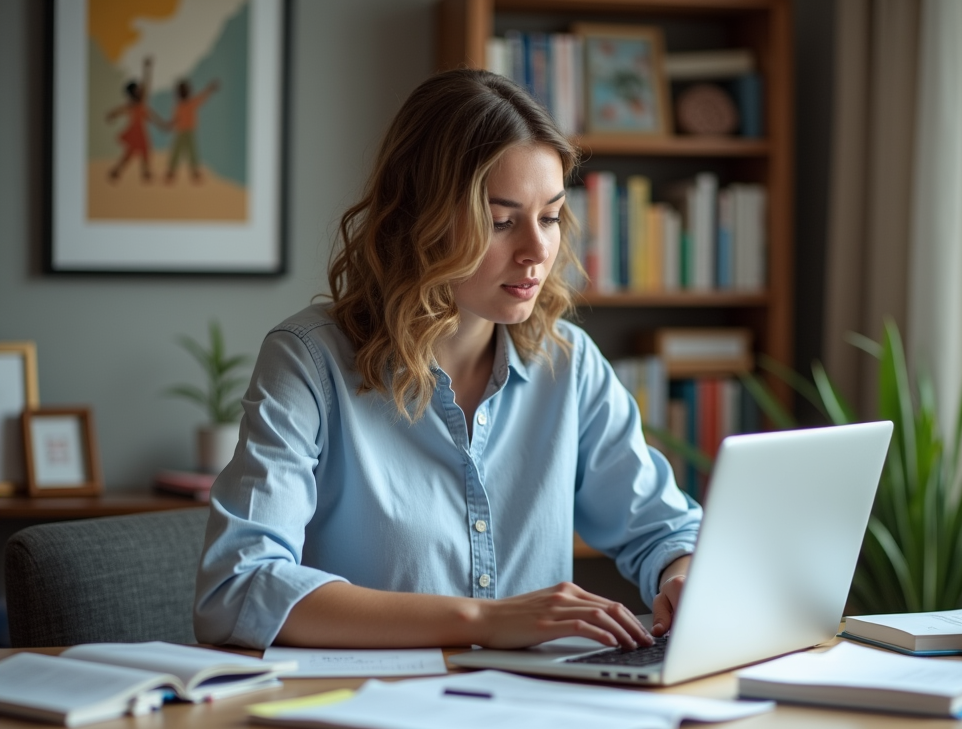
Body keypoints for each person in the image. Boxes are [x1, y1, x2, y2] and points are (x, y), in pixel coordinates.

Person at [193, 69, 702, 651]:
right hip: (365, 716)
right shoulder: (309, 362)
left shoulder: (570, 364)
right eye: (502, 221)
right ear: (420, 220)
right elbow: (237, 588)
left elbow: (664, 528)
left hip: (537, 716)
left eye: (552, 216)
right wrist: (481, 621)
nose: (537, 251)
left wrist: (682, 574)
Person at [106, 57, 161, 182]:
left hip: (140, 130)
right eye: (136, 90)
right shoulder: (131, 105)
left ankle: (143, 172)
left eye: (139, 89)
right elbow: (120, 110)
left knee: (141, 151)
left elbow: (147, 83)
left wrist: (147, 69)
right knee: (133, 152)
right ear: (132, 93)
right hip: (135, 131)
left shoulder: (142, 101)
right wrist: (112, 115)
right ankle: (120, 171)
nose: (139, 90)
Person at [164, 78, 220, 183]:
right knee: (177, 152)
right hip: (181, 132)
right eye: (182, 91)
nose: (184, 93)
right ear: (179, 93)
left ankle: (194, 172)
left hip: (189, 132)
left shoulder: (191, 103)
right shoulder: (178, 106)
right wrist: (170, 125)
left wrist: (210, 89)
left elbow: (202, 97)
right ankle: (171, 172)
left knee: (192, 152)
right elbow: (175, 119)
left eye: (185, 90)